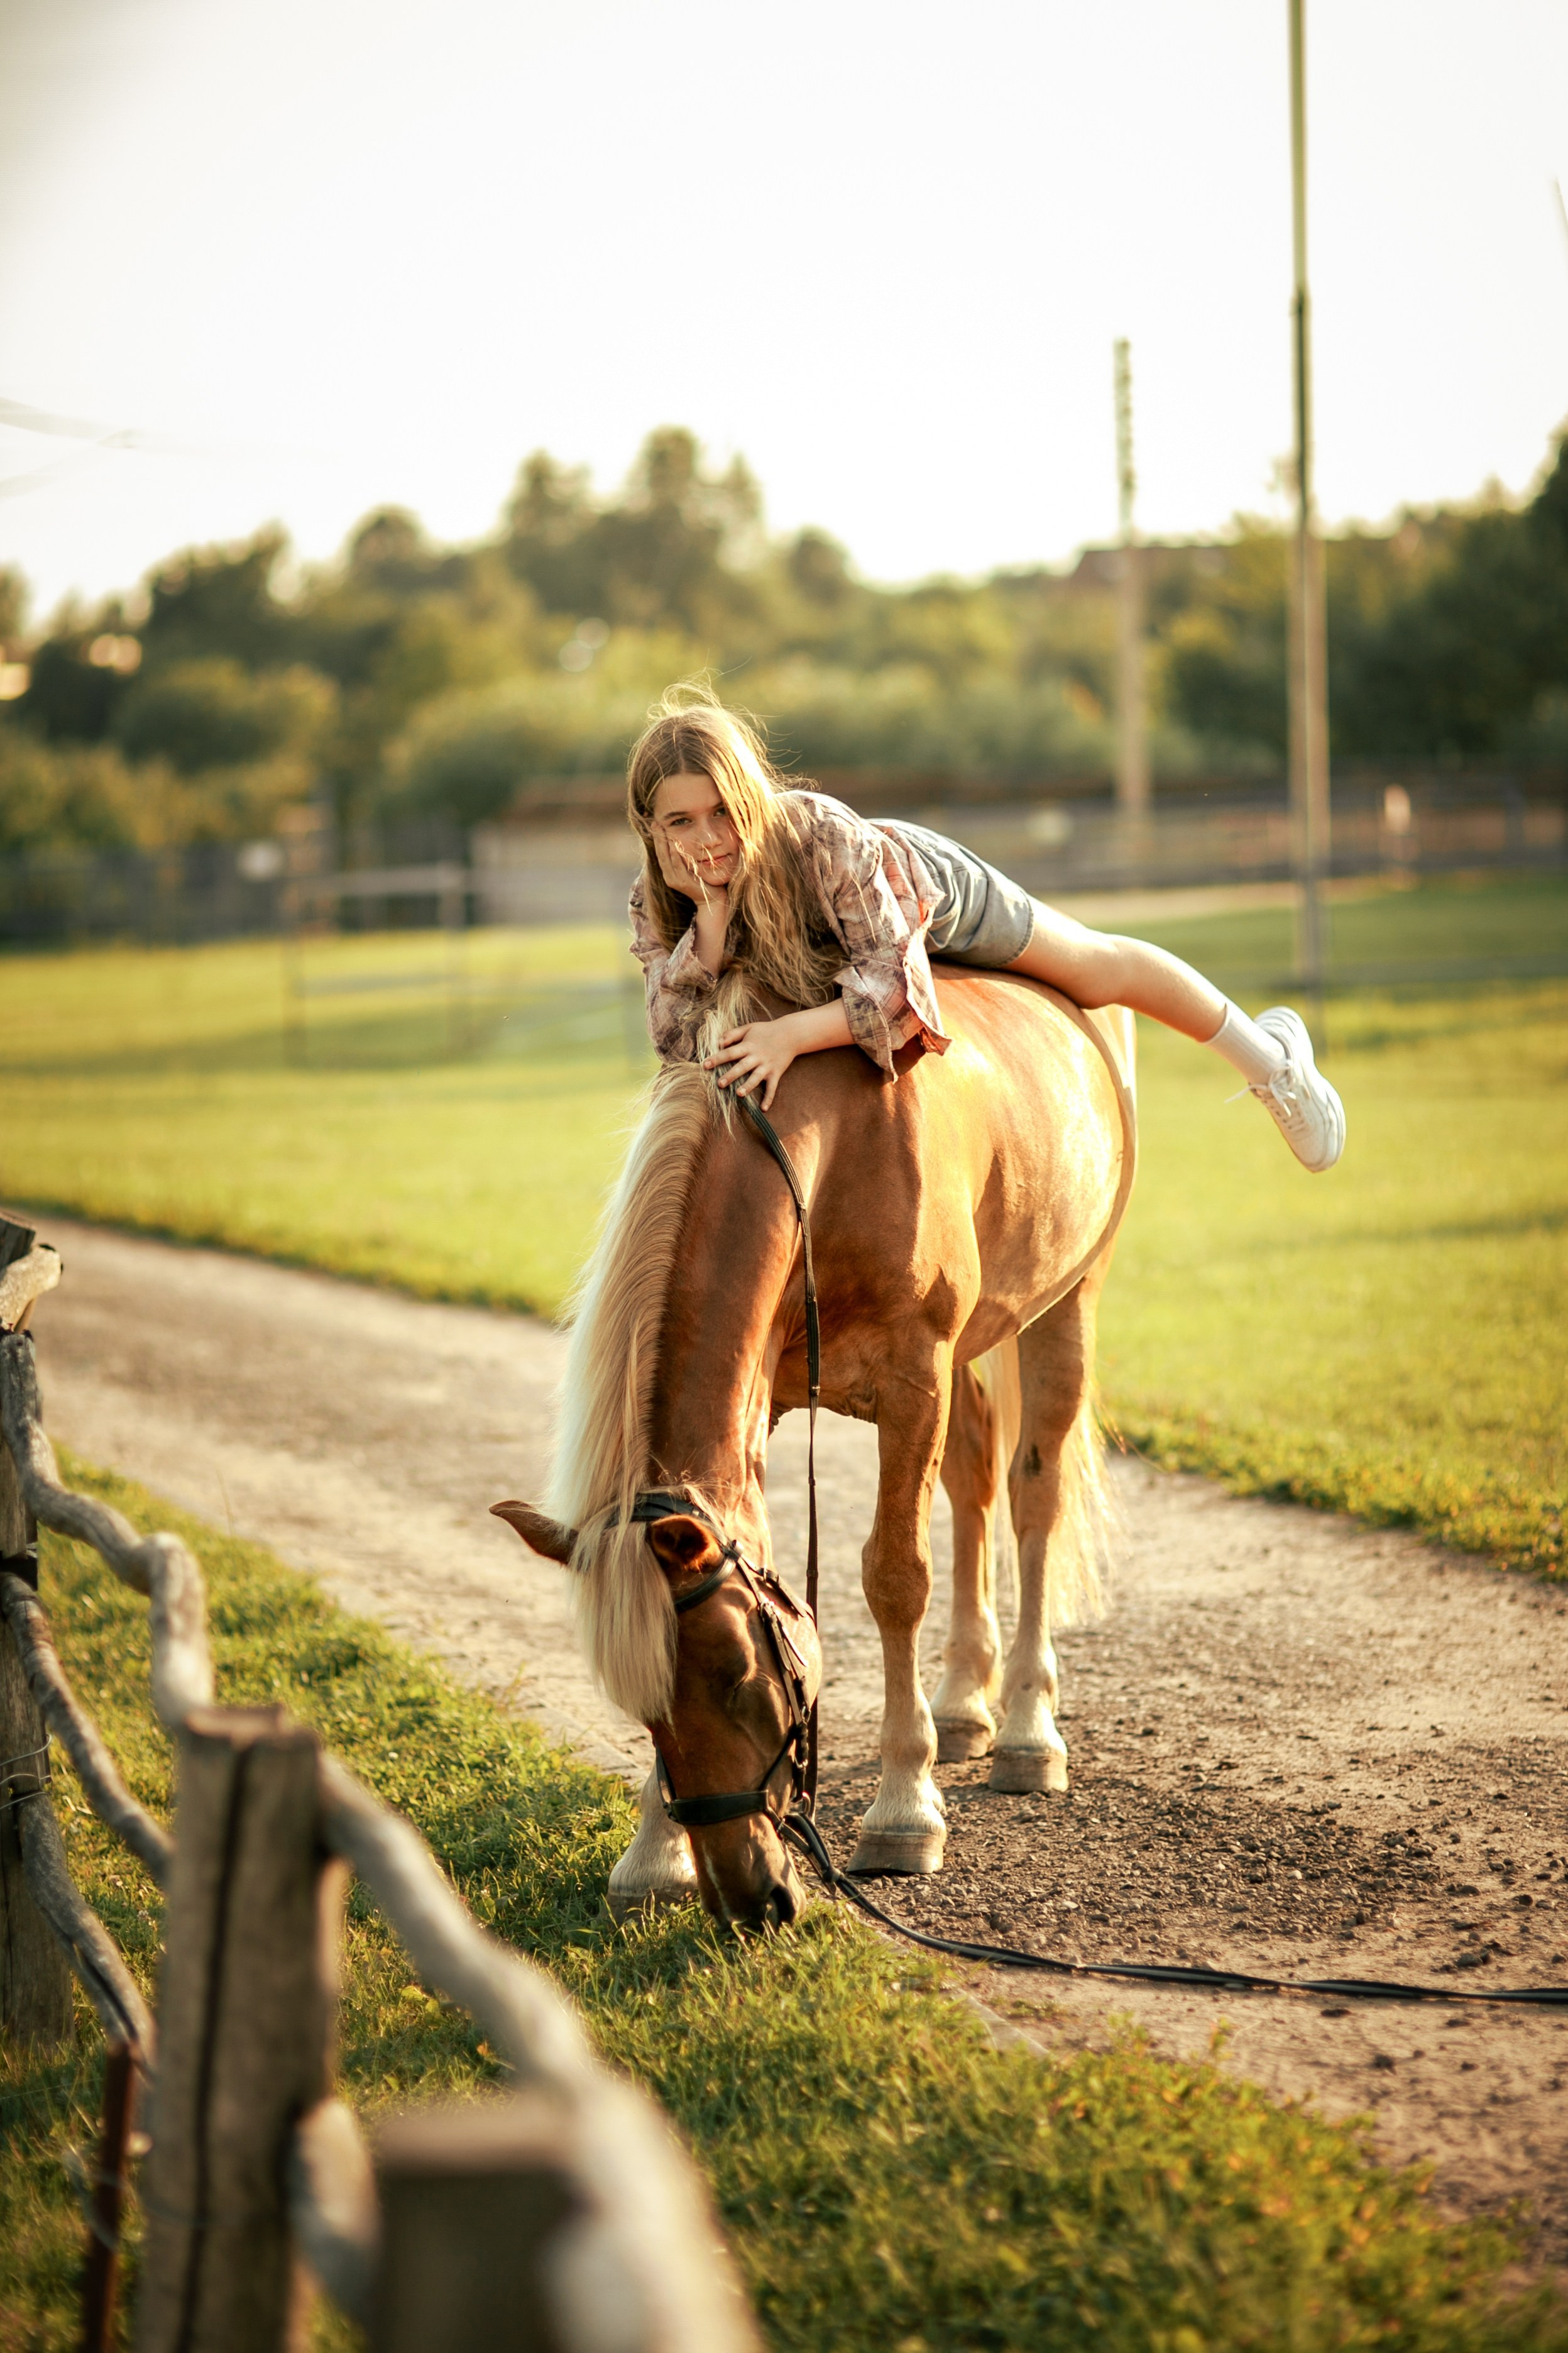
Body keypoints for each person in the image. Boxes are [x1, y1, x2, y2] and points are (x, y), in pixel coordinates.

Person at [625, 688, 1344, 1172]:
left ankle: (1272, 1061)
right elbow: (674, 1040)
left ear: (750, 798)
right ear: (650, 828)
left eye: (722, 811)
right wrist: (713, 923)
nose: (707, 839)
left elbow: (897, 989)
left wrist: (790, 1034)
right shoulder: (656, 897)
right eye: (680, 822)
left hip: (923, 896)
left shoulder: (819, 837)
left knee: (1095, 969)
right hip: (826, 950)